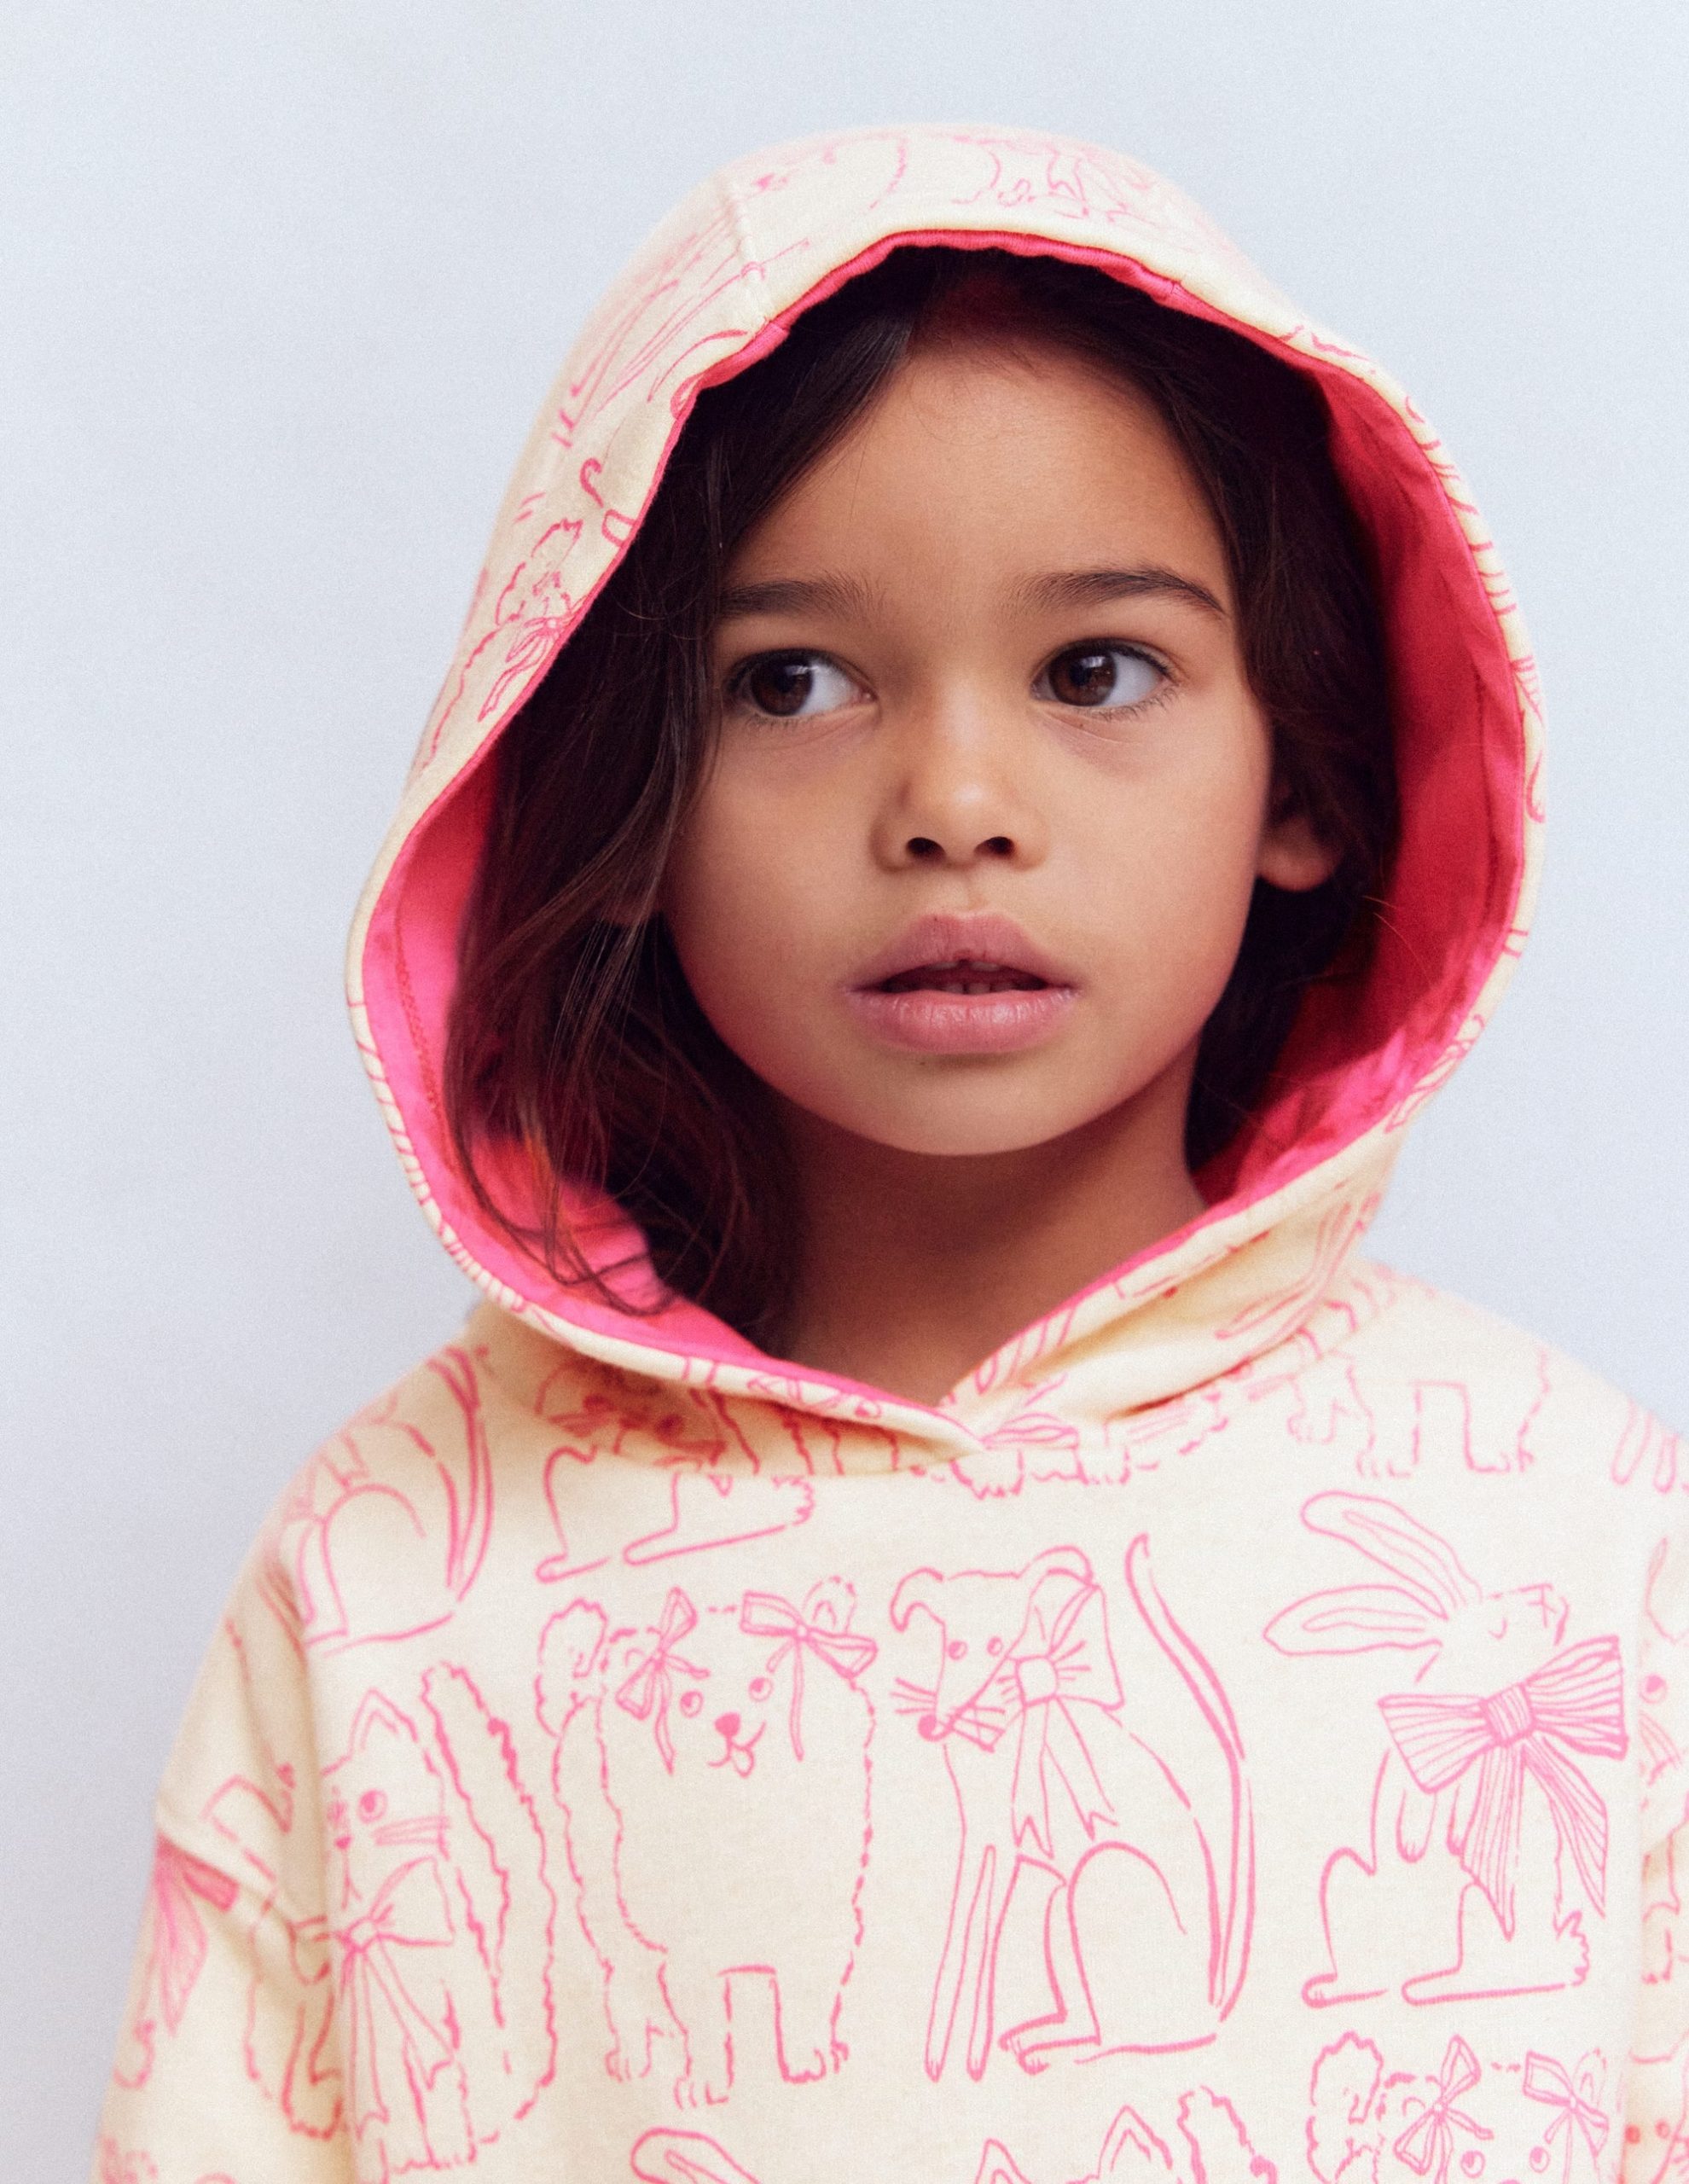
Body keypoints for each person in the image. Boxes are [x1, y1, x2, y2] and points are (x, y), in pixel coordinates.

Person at [93, 124, 1689, 2184]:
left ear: (1299, 769)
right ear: (633, 795)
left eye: (1097, 669)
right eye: (795, 681)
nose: (954, 798)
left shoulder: (1579, 1535)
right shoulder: (393, 1572)